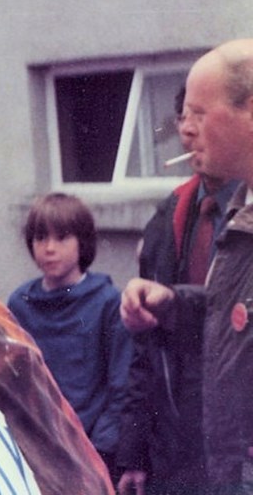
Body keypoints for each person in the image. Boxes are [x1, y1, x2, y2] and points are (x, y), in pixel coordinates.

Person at [121, 39, 253, 492]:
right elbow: (237, 315)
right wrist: (172, 302)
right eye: (183, 116)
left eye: (198, 113)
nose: (185, 131)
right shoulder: (240, 208)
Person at [8, 193, 133, 482]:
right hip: (37, 446)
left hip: (92, 450)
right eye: (41, 238)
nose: (49, 249)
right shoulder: (20, 303)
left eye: (62, 238)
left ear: (82, 242)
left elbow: (121, 385)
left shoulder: (108, 302)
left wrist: (100, 449)